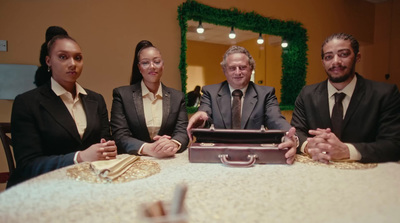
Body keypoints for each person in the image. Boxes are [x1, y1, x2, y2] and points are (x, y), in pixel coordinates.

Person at [8, 35, 117, 188]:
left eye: (78, 58)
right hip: (44, 186)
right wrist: (79, 157)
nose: (72, 64)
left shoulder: (96, 99)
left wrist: (108, 148)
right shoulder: (27, 102)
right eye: (63, 57)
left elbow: (105, 139)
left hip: (89, 183)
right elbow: (28, 165)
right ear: (48, 61)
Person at [291, 32, 400, 163]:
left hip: (367, 176)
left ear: (357, 57)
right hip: (318, 171)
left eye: (343, 54)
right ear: (323, 62)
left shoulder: (385, 94)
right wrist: (309, 147)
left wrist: (347, 151)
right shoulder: (307, 94)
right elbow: (296, 133)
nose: (336, 61)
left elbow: (393, 145)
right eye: (328, 57)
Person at [187, 46, 298, 164]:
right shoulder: (210, 92)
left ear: (251, 69)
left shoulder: (266, 94)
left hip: (255, 158)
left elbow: (275, 119)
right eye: (232, 68)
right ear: (224, 70)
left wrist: (290, 136)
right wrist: (200, 119)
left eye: (243, 67)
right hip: (217, 158)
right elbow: (204, 113)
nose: (238, 72)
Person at [110, 43, 189, 158]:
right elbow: (120, 135)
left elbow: (183, 132)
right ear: (139, 68)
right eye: (145, 63)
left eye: (157, 62)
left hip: (168, 159)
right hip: (134, 160)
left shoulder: (177, 97)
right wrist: (148, 148)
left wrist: (173, 143)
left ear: (163, 65)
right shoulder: (122, 95)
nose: (152, 66)